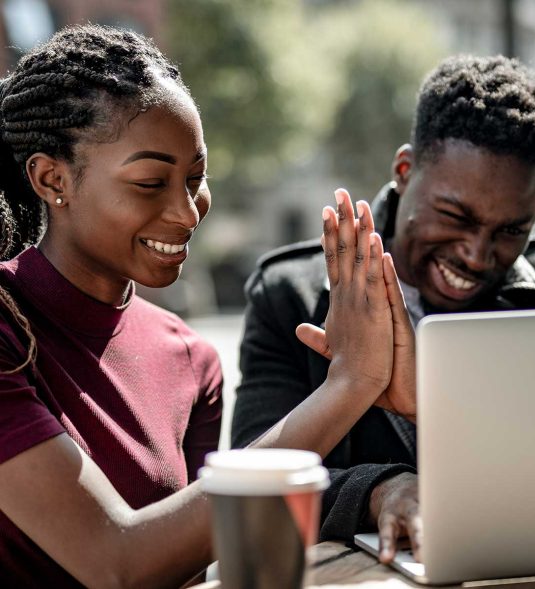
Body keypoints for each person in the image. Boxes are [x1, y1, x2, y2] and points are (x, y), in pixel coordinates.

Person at [0, 25, 407, 587]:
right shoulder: (5, 327)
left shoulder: (192, 360)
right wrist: (349, 384)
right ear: (51, 178)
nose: (188, 214)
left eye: (196, 178)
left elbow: (183, 566)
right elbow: (116, 563)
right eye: (150, 182)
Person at [231, 55, 535, 562]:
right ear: (405, 171)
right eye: (455, 216)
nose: (476, 254)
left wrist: (434, 404)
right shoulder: (289, 296)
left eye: (512, 230)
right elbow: (252, 479)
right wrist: (378, 490)